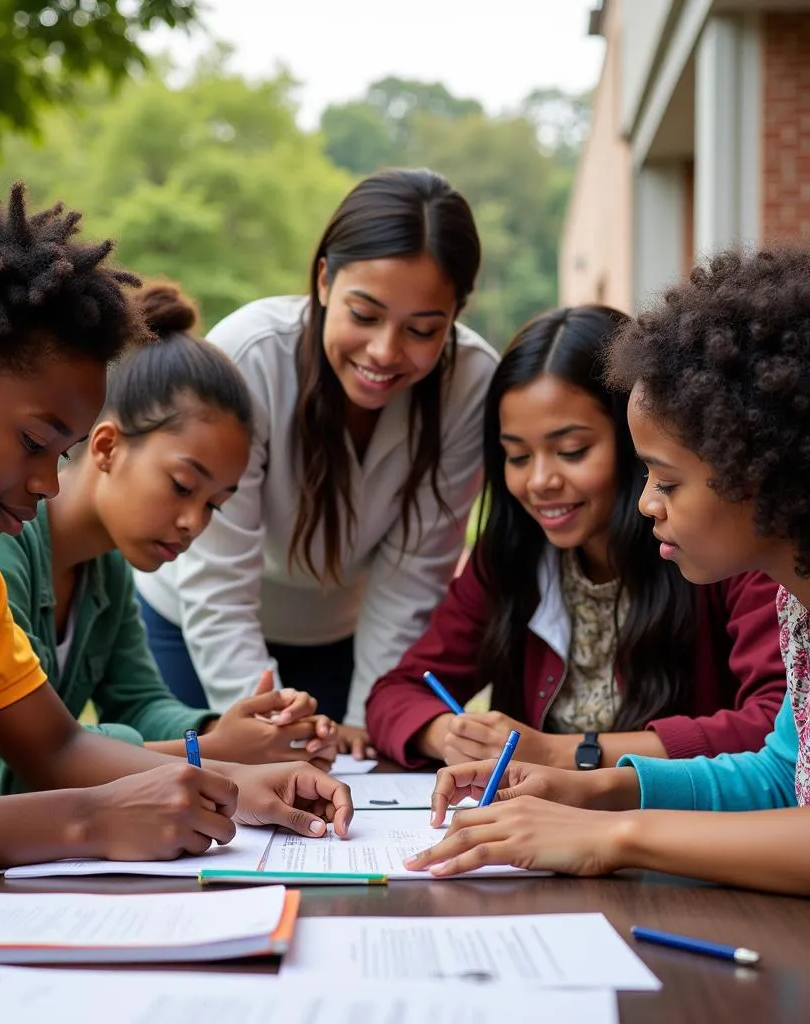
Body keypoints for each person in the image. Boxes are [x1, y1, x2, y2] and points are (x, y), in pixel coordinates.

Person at [0, 179, 352, 893]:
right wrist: (84, 821)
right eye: (34, 442)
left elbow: (56, 745)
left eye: (62, 454)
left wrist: (246, 782)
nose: (51, 483)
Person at [405, 248, 810, 896]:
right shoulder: (799, 607)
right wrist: (591, 789)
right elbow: (778, 776)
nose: (648, 501)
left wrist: (609, 833)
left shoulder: (767, 587)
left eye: (666, 480)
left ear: (758, 469)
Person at [0, 281, 336, 799]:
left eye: (213, 504)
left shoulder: (107, 568)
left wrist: (229, 729)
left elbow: (138, 702)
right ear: (108, 446)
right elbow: (28, 762)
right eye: (182, 486)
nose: (193, 522)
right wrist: (214, 751)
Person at [134, 168, 499, 758]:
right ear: (325, 279)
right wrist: (271, 727)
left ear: (455, 314)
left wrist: (366, 717)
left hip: (342, 638)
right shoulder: (250, 357)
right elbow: (218, 583)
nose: (384, 351)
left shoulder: (472, 383)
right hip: (193, 625)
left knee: (346, 781)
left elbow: (412, 578)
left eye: (423, 330)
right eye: (364, 314)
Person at [366, 305, 785, 770]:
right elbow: (395, 693)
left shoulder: (723, 547)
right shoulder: (513, 553)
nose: (540, 480)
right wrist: (451, 735)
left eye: (572, 450)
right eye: (518, 456)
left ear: (637, 444)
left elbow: (779, 728)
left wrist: (561, 753)